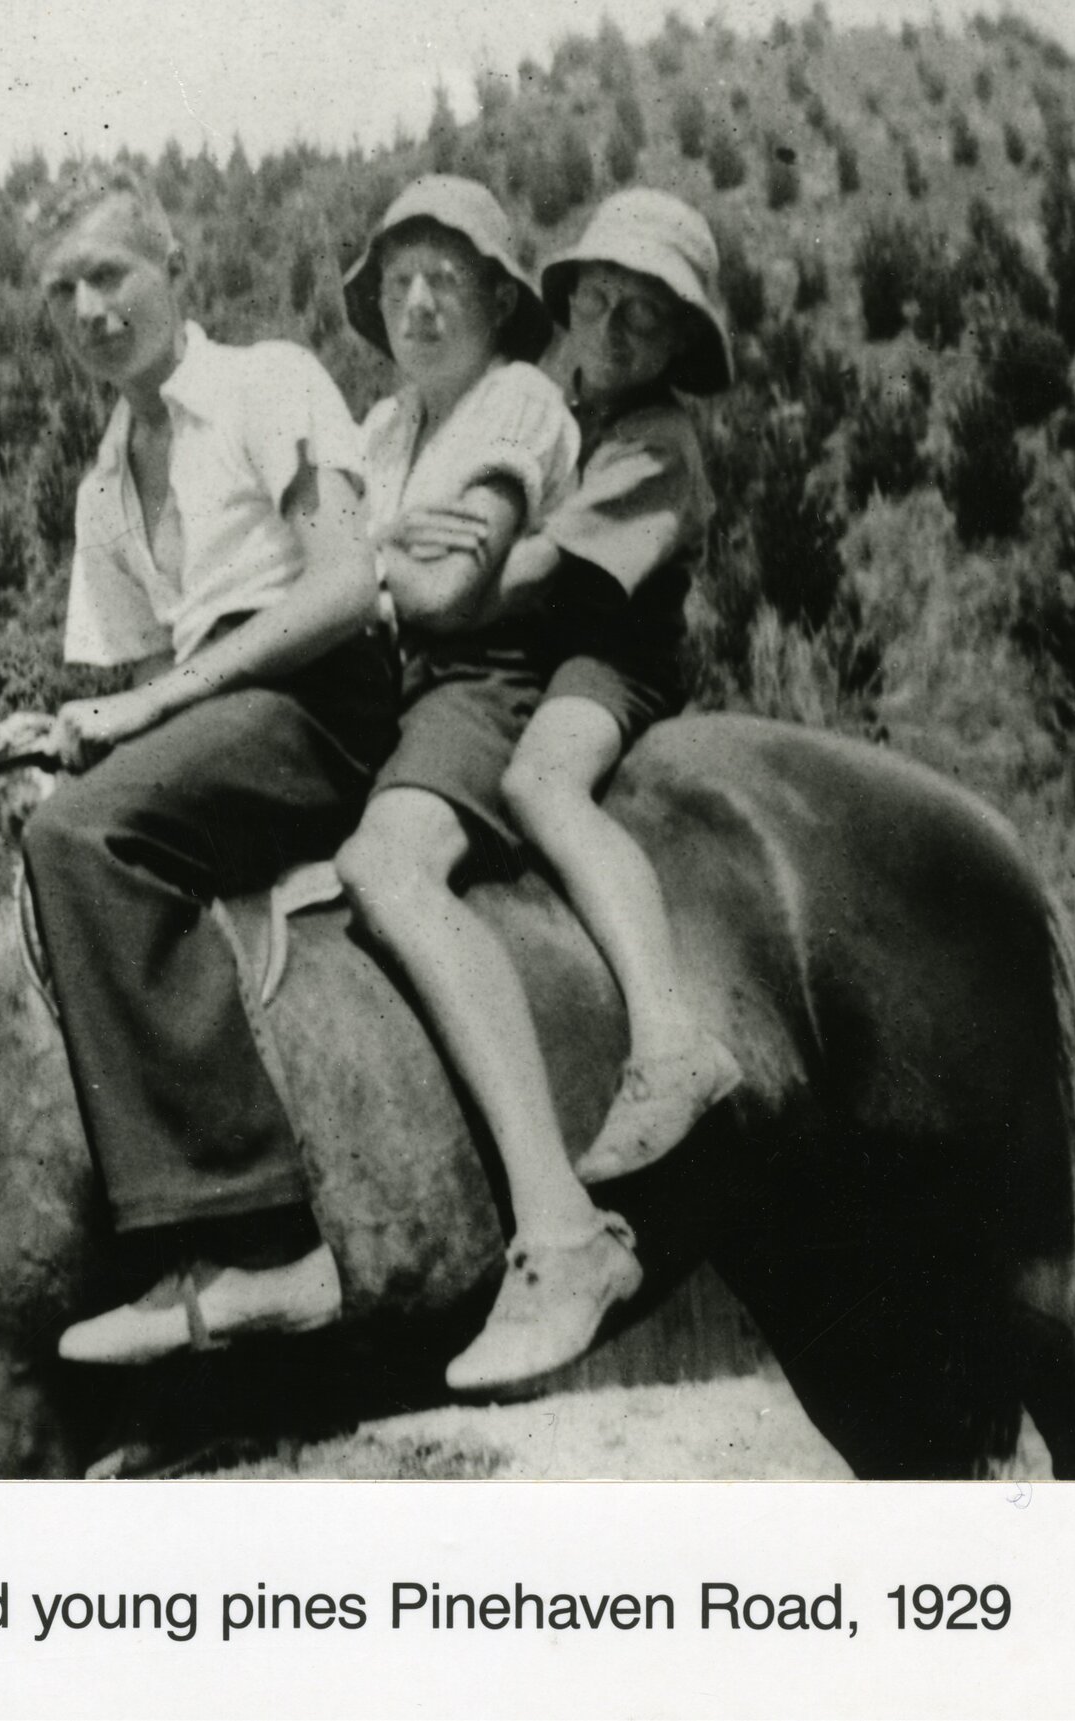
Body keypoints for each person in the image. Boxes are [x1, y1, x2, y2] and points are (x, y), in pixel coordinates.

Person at [346, 184, 741, 1394]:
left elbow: (542, 575)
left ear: (680, 344)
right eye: (598, 303)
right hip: (552, 647)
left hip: (607, 658)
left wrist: (430, 569)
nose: (612, 329)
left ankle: (670, 1036)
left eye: (643, 317)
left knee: (543, 784)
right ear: (563, 310)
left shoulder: (655, 439)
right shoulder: (565, 410)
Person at [22, 164, 397, 1367]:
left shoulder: (264, 381)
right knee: (28, 819)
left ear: (174, 265)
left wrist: (158, 707)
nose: (87, 310)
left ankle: (261, 1236)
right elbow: (114, 681)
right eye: (62, 290)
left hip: (318, 694)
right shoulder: (98, 486)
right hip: (208, 715)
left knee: (78, 837)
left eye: (109, 275)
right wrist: (46, 734)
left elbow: (344, 586)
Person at [330, 175, 633, 1396]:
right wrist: (392, 552)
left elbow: (454, 589)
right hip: (388, 681)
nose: (415, 302)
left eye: (444, 281)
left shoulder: (516, 402)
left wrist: (382, 556)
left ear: (498, 303)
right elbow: (365, 567)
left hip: (487, 677)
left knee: (386, 866)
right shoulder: (379, 431)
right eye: (396, 281)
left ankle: (558, 1225)